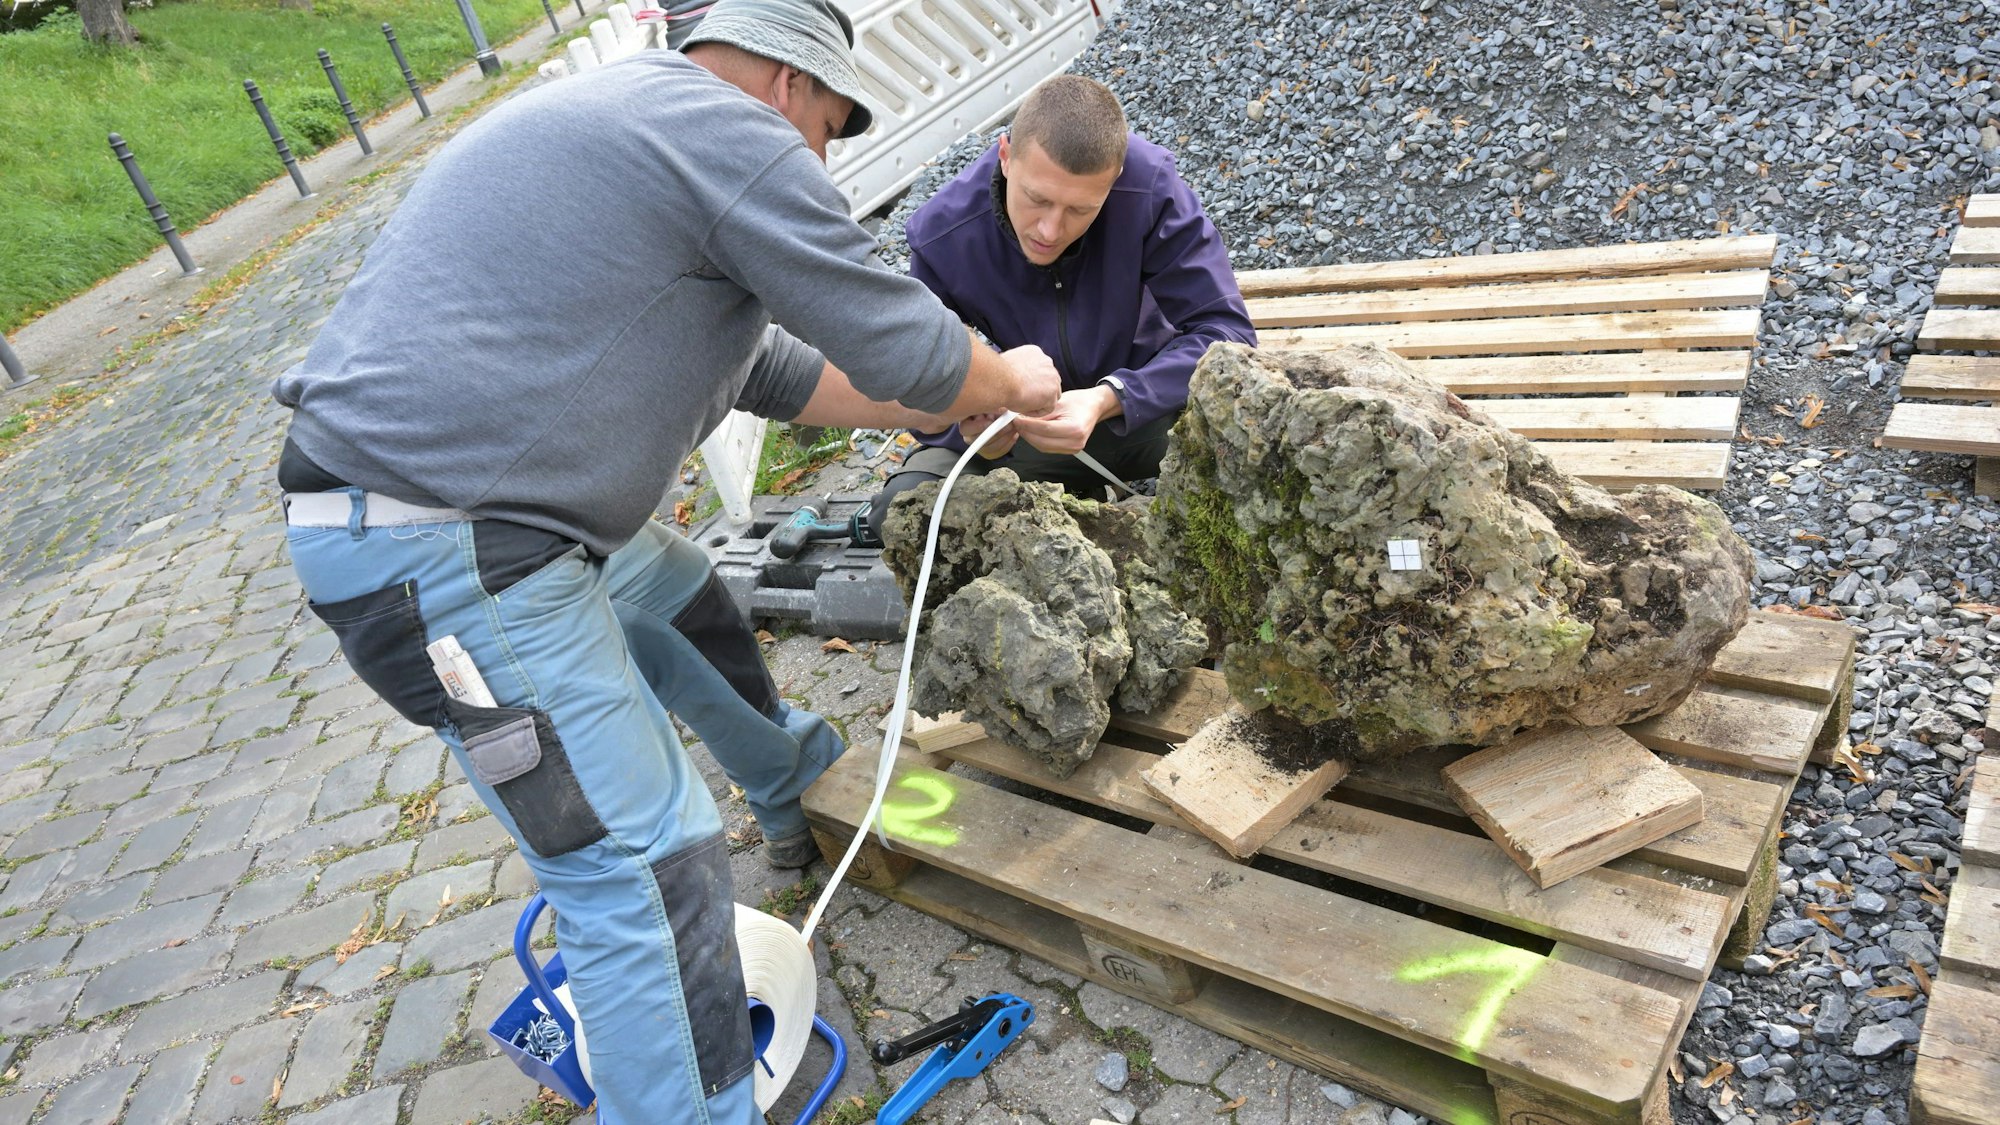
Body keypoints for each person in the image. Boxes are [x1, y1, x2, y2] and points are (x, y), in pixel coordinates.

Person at [269, 1, 1059, 1120]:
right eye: (828, 128)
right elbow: (901, 340)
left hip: (468, 516)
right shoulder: (722, 125)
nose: (820, 157)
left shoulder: (636, 129)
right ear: (790, 83)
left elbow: (779, 373)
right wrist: (1008, 380)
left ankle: (791, 784)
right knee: (643, 868)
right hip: (444, 550)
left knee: (674, 590)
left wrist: (953, 406)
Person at [868, 75, 1255, 540]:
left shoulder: (1149, 186)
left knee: (1269, 456)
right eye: (1037, 199)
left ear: (1113, 180)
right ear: (1005, 155)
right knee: (903, 509)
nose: (1050, 231)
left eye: (1080, 210)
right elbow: (919, 377)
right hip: (1027, 438)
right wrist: (973, 434)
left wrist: (1110, 398)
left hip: (1151, 413)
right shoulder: (942, 234)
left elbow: (1226, 331)